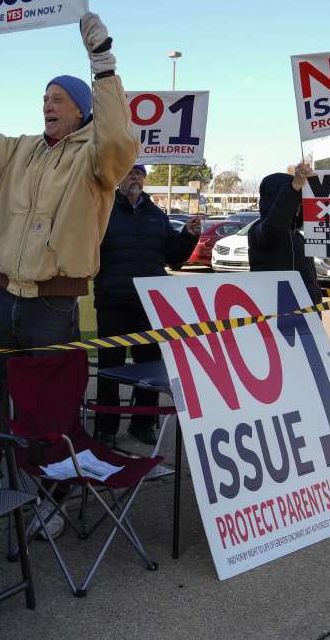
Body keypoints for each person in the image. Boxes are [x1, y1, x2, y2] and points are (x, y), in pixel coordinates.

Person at [0, 12, 139, 499]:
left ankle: (52, 487)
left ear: (80, 109)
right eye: (44, 99)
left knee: (48, 407)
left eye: (58, 99)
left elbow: (119, 139)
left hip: (53, 307)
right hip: (2, 298)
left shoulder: (96, 159)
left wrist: (104, 65)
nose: (48, 106)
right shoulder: (22, 151)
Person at [94, 165, 200, 447]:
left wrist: (188, 236)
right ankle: (105, 428)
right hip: (113, 303)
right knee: (109, 369)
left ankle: (142, 424)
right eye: (129, 173)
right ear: (118, 178)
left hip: (150, 306)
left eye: (140, 174)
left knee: (150, 369)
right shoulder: (104, 210)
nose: (135, 178)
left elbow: (173, 258)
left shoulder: (156, 215)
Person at [247, 160, 321, 303]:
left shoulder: (297, 236)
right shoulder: (259, 231)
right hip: (275, 315)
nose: (299, 205)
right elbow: (275, 224)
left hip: (306, 317)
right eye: (297, 199)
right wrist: (294, 188)